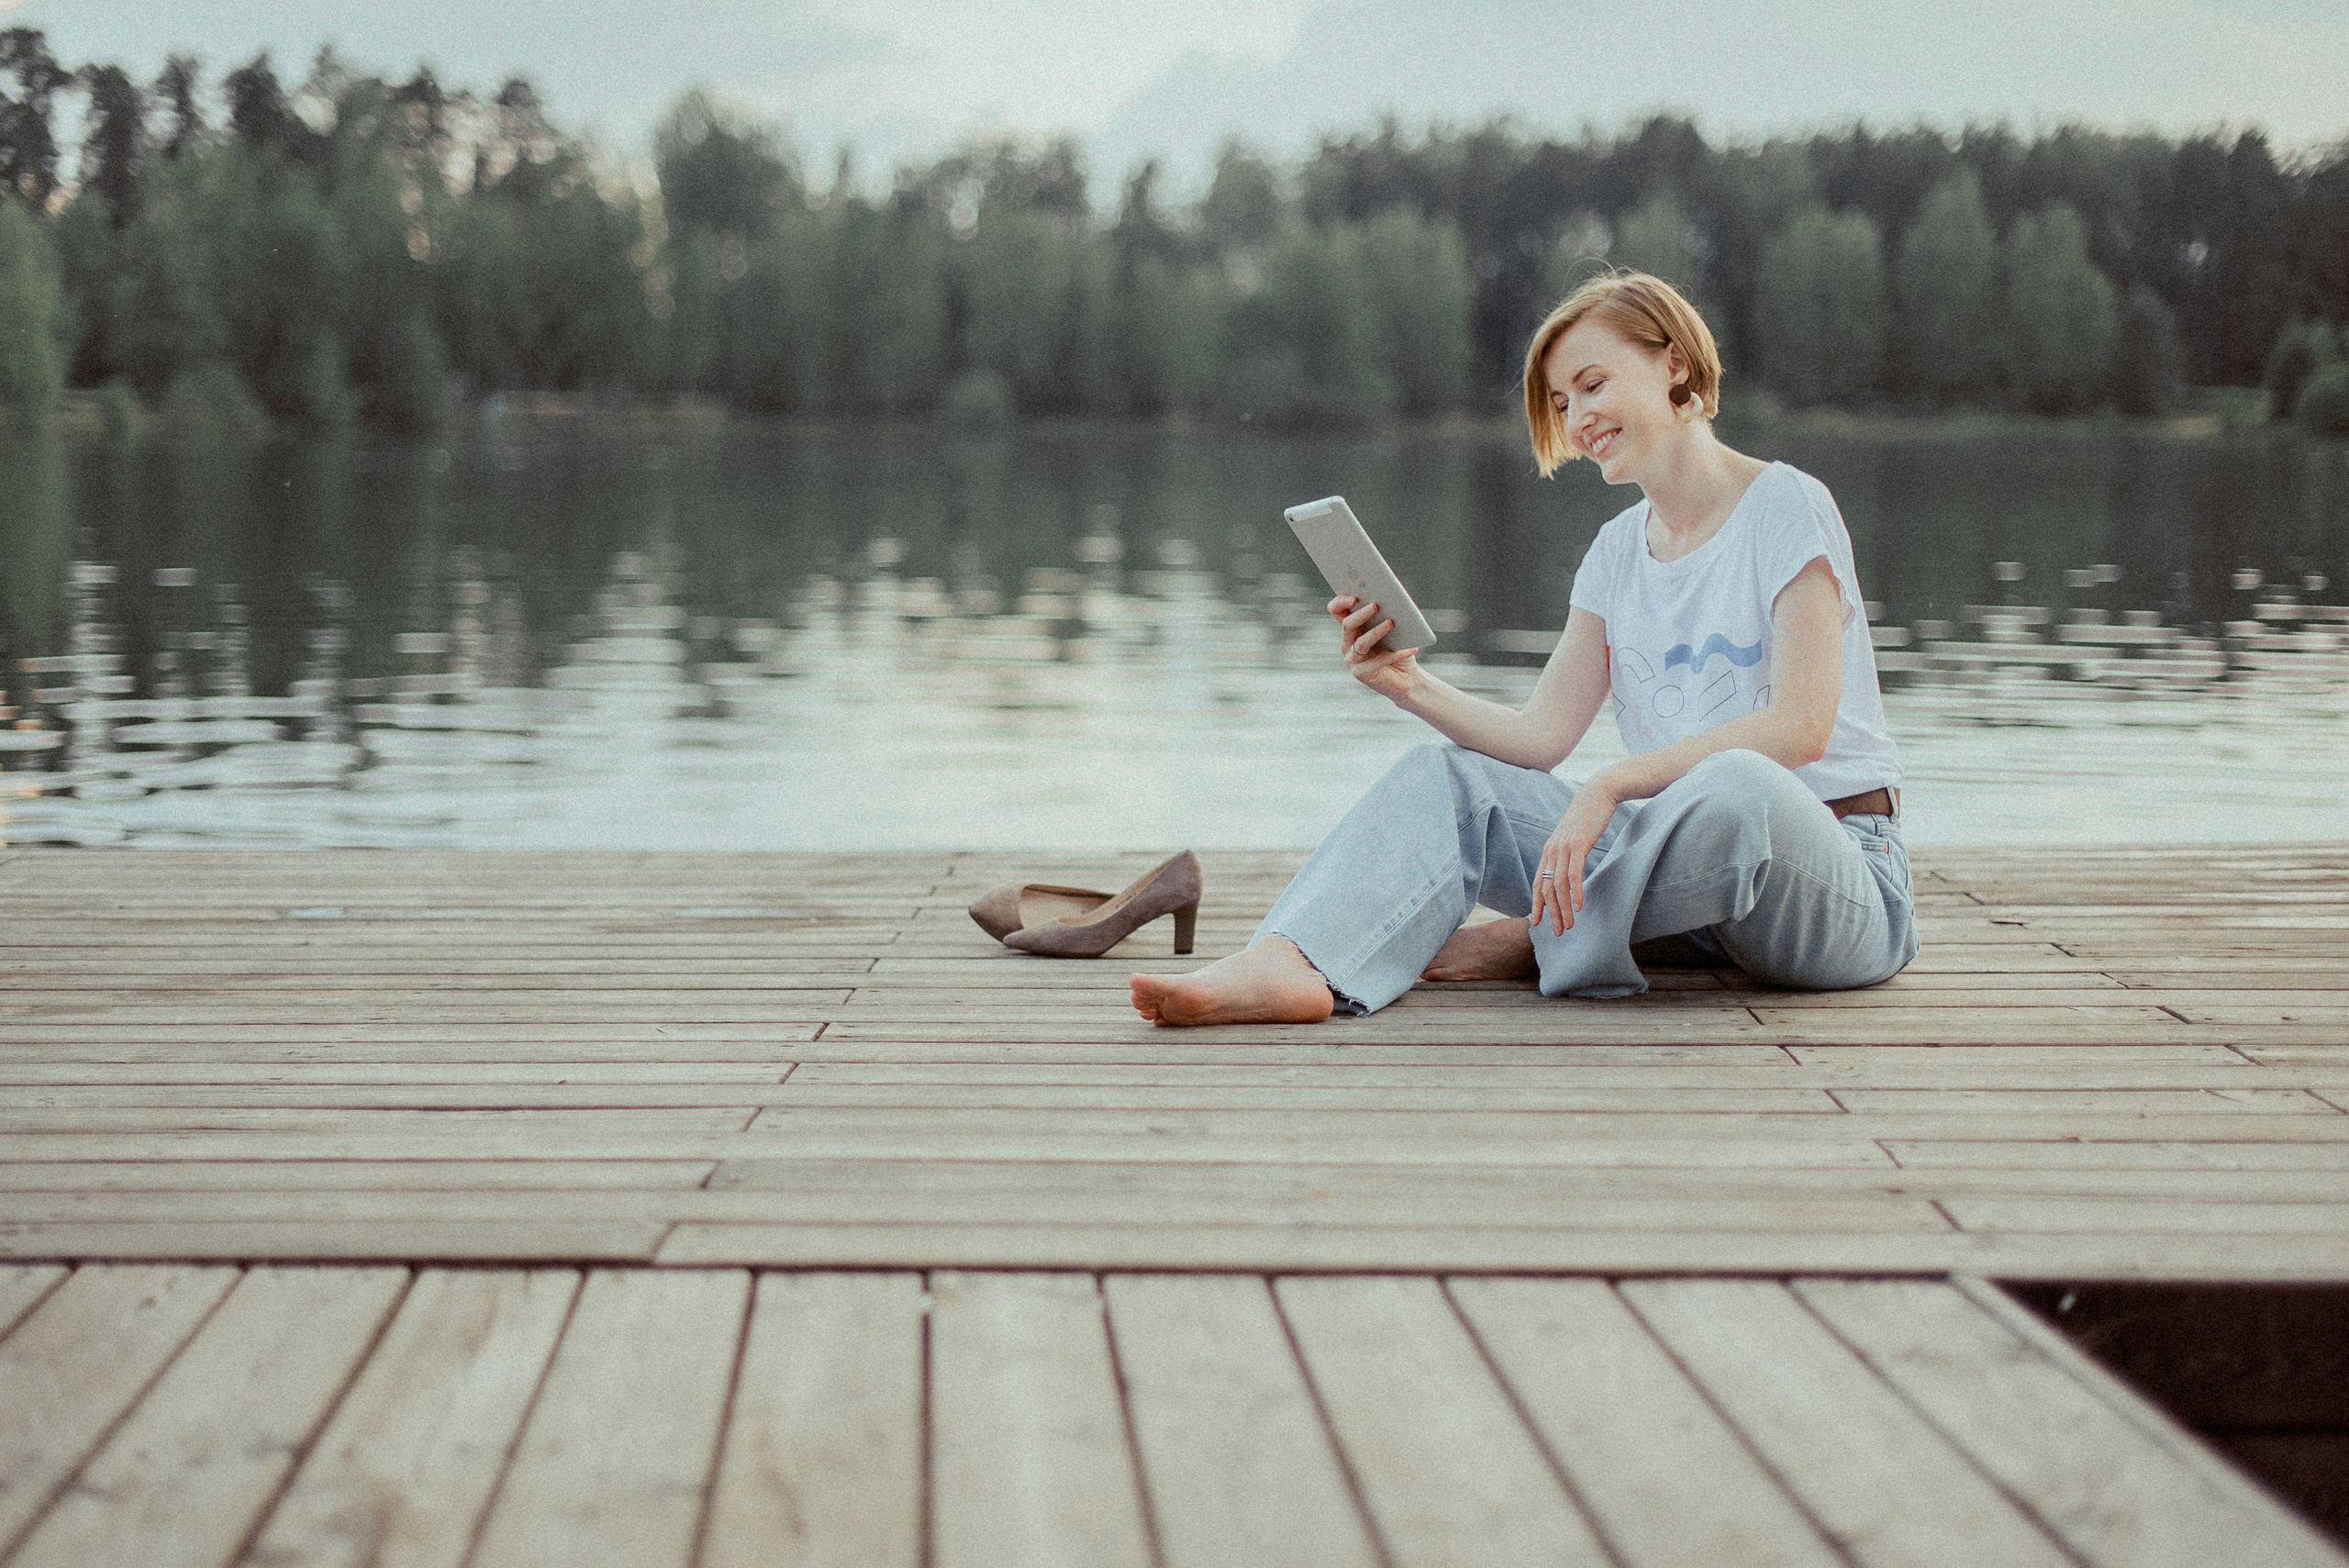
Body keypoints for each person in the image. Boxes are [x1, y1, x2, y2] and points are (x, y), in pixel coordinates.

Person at [1130, 271, 1915, 1027]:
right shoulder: (1615, 552)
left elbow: (1801, 726)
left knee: (1739, 784)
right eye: (1561, 401)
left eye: (1593, 385)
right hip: (1688, 887)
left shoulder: (1786, 505)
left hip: (1842, 881)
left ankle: (1542, 934)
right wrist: (1408, 684)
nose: (1576, 419)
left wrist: (1611, 785)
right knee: (1451, 778)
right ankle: (1298, 961)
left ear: (1673, 362)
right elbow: (1540, 737)